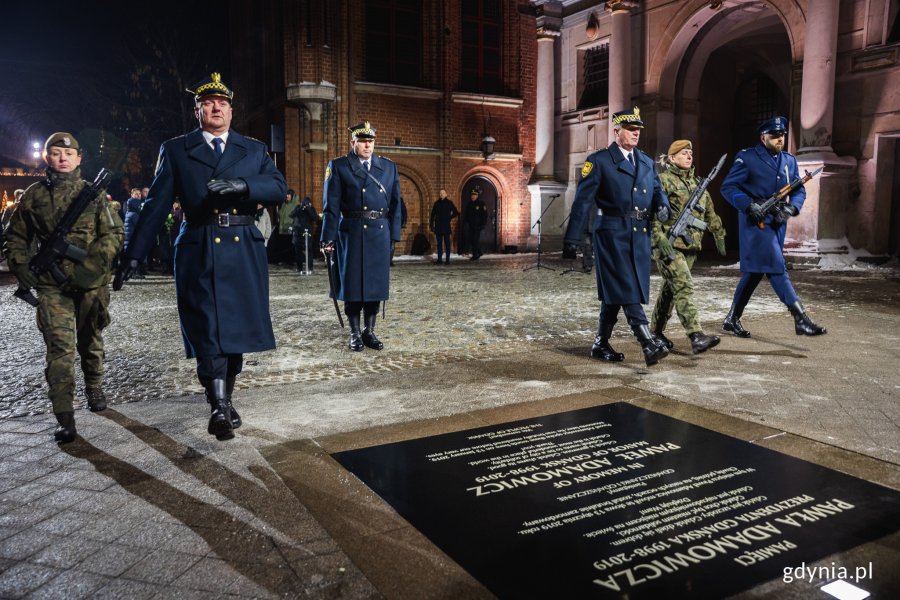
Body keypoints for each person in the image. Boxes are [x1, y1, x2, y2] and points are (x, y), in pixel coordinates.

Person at [115, 72, 288, 441]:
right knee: (207, 326)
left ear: (231, 111)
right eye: (209, 103)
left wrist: (244, 186)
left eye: (223, 104)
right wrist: (134, 255)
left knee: (236, 330)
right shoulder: (177, 149)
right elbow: (156, 203)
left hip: (243, 243)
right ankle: (218, 407)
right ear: (198, 111)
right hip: (199, 243)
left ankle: (224, 398)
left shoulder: (253, 149)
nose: (216, 108)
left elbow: (278, 187)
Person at [2, 132, 124, 443]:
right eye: (55, 153)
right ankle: (64, 415)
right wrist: (20, 266)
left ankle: (94, 384)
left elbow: (112, 235)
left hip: (90, 284)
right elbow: (16, 237)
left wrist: (92, 267)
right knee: (59, 349)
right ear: (47, 157)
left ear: (79, 158)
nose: (62, 158)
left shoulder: (93, 194)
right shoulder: (33, 195)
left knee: (91, 341)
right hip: (52, 286)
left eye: (68, 154)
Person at [562, 107, 672, 366]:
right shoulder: (599, 161)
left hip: (639, 235)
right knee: (626, 285)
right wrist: (572, 239)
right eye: (631, 130)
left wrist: (662, 205)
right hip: (611, 232)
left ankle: (601, 343)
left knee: (618, 289)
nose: (636, 134)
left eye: (638, 131)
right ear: (616, 131)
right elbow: (582, 203)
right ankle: (647, 342)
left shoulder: (645, 161)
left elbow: (657, 189)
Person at [720, 116, 826, 338]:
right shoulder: (747, 158)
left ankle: (732, 318)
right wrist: (748, 205)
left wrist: (792, 209)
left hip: (777, 222)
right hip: (755, 223)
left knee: (755, 272)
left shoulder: (789, 160)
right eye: (775, 136)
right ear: (763, 137)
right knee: (777, 268)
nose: (780, 140)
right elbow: (728, 187)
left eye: (782, 136)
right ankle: (800, 318)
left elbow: (798, 190)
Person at [320, 121, 402, 351]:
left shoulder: (388, 167)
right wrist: (327, 238)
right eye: (363, 141)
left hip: (379, 233)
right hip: (351, 233)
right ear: (353, 142)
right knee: (352, 285)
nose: (367, 145)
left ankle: (370, 331)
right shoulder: (339, 167)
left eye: (371, 141)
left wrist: (394, 237)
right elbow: (331, 207)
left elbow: (396, 205)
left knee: (375, 285)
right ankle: (355, 332)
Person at [651, 140, 726, 354]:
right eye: (683, 153)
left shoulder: (697, 184)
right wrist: (658, 238)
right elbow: (652, 213)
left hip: (690, 246)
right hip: (668, 245)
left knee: (671, 291)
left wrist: (719, 233)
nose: (689, 156)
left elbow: (709, 213)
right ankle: (696, 336)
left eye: (690, 153)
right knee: (684, 287)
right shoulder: (662, 181)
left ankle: (655, 333)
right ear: (671, 158)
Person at [290, 196, 320, 273]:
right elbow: (292, 215)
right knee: (298, 251)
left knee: (309, 250)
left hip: (307, 233)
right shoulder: (298, 207)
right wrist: (301, 207)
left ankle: (310, 267)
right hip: (298, 232)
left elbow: (315, 218)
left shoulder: (311, 209)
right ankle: (299, 267)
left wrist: (308, 209)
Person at [430, 189, 459, 265]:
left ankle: (447, 260)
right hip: (438, 226)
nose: (441, 194)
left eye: (443, 193)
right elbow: (432, 215)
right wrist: (431, 225)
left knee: (447, 243)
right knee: (439, 244)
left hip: (446, 226)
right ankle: (439, 259)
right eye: (440, 193)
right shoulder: (436, 203)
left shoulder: (449, 203)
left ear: (446, 194)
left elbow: (456, 212)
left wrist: (449, 217)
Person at [123, 188, 146, 278]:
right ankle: (134, 273)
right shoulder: (134, 212)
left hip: (131, 236)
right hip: (132, 236)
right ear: (132, 195)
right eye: (136, 194)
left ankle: (134, 272)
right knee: (134, 254)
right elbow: (139, 225)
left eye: (139, 194)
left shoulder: (132, 211)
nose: (138, 195)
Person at [463, 188, 487, 260]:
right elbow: (467, 214)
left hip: (478, 226)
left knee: (475, 240)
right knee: (471, 239)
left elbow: (484, 215)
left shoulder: (481, 204)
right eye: (472, 195)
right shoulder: (469, 204)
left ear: (477, 196)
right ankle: (479, 252)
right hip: (471, 226)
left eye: (474, 195)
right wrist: (466, 222)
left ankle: (475, 255)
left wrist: (483, 224)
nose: (473, 196)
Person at [389, 196, 407, 266]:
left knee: (392, 243)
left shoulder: (399, 200)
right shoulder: (385, 197)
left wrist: (403, 223)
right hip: (385, 223)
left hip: (394, 224)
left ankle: (389, 260)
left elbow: (404, 212)